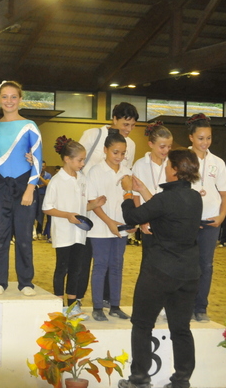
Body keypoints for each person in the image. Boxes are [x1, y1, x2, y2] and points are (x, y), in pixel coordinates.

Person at [117, 148, 202, 388]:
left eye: (168, 164)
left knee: (143, 324)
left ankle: (140, 379)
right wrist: (143, 189)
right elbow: (163, 209)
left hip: (160, 271)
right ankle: (181, 380)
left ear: (175, 170)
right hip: (188, 273)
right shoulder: (195, 197)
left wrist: (127, 191)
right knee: (181, 328)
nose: (165, 167)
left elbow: (133, 216)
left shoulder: (166, 199)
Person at [79, 101, 139, 305]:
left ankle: (108, 301)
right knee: (91, 259)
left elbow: (126, 178)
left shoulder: (130, 145)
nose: (128, 130)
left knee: (114, 263)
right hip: (90, 205)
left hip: (115, 208)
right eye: (125, 124)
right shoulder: (92, 135)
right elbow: (76, 163)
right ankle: (79, 299)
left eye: (132, 126)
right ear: (114, 119)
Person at [0, 80, 42, 296]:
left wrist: (30, 188)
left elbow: (38, 158)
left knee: (23, 237)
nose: (9, 101)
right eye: (4, 96)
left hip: (23, 187)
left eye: (13, 97)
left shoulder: (29, 125)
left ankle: (25, 282)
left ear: (20, 99)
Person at [42, 135, 105, 317]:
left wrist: (93, 205)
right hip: (63, 233)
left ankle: (72, 306)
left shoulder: (82, 179)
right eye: (80, 160)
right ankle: (58, 305)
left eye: (84, 159)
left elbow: (80, 207)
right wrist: (67, 216)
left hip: (79, 233)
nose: (83, 163)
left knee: (76, 269)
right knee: (62, 268)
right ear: (67, 159)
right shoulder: (56, 181)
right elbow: (47, 208)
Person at [187, 113, 226, 322]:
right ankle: (183, 306)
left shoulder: (218, 162)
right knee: (185, 264)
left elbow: (225, 193)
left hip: (211, 221)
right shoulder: (181, 159)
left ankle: (200, 307)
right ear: (191, 138)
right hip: (187, 222)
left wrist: (221, 216)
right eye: (200, 138)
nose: (205, 142)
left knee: (205, 265)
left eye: (208, 138)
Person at [86, 129, 133, 321]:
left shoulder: (127, 172)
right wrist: (109, 223)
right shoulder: (95, 171)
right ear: (105, 150)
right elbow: (94, 203)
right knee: (100, 266)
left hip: (121, 228)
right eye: (115, 152)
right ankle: (97, 306)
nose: (119, 157)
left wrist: (132, 222)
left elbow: (132, 199)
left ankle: (114, 305)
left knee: (117, 266)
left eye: (123, 153)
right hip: (99, 228)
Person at [131, 122, 173, 257]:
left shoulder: (172, 164)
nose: (166, 150)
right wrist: (142, 220)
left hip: (168, 221)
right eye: (162, 147)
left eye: (169, 147)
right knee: (149, 259)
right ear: (151, 144)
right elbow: (135, 195)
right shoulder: (140, 164)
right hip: (148, 221)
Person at [35, 161, 51, 239]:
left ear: (45, 167)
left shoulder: (48, 175)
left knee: (45, 214)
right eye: (41, 166)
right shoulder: (34, 174)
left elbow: (48, 184)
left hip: (45, 196)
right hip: (35, 196)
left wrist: (40, 177)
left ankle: (44, 232)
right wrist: (41, 184)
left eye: (43, 166)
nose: (42, 168)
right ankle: (37, 232)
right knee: (38, 214)